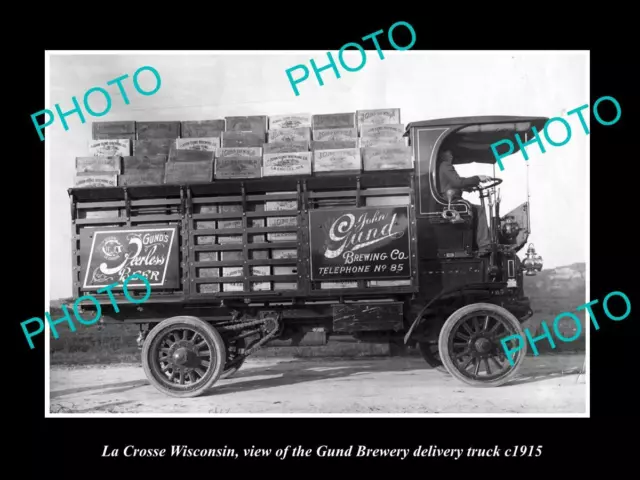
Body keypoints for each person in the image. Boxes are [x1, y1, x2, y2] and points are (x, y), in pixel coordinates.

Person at [437, 149, 492, 252]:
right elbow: (458, 182)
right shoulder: (445, 165)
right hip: (451, 200)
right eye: (449, 153)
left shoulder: (440, 166)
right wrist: (478, 178)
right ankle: (484, 245)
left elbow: (449, 183)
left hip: (446, 199)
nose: (451, 156)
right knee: (479, 209)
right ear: (443, 154)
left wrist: (466, 187)